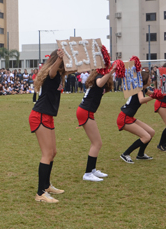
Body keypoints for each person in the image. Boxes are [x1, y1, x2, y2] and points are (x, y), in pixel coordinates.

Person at [29, 49, 68, 204]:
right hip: (39, 115)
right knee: (46, 154)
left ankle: (46, 186)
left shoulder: (59, 75)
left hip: (47, 115)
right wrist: (59, 58)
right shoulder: (52, 73)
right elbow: (52, 71)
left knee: (53, 152)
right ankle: (40, 194)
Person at [77, 67, 116, 182]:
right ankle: (88, 173)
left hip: (87, 111)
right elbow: (99, 83)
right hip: (85, 111)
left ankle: (92, 170)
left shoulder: (99, 76)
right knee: (97, 143)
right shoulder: (99, 76)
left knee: (96, 143)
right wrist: (111, 71)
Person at [117, 69, 155, 163]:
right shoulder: (139, 89)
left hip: (129, 117)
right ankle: (125, 154)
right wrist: (154, 97)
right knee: (146, 137)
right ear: (145, 79)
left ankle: (140, 155)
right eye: (150, 77)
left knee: (151, 132)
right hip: (124, 118)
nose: (151, 79)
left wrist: (161, 93)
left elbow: (152, 93)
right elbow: (141, 100)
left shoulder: (143, 88)